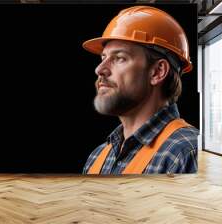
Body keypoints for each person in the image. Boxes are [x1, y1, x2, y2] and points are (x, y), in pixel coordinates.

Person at [82, 6, 199, 174]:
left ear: (158, 72)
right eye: (103, 58)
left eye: (120, 58)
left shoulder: (186, 152)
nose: (100, 69)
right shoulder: (98, 157)